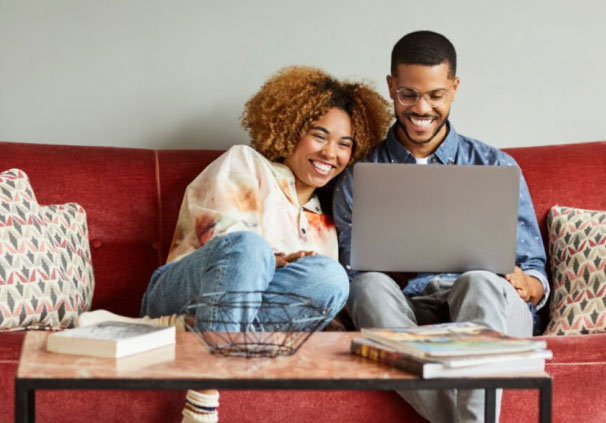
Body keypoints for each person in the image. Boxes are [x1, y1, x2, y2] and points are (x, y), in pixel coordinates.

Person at [78, 65, 392, 423]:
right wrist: (279, 259)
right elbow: (226, 241)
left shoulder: (328, 216)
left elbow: (309, 304)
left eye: (344, 144)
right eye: (319, 136)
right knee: (251, 249)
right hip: (183, 290)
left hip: (211, 317)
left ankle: (178, 329)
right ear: (291, 131)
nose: (330, 153)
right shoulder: (246, 162)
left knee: (333, 278)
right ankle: (203, 400)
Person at [332, 31, 550, 423]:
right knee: (365, 285)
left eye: (436, 95)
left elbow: (534, 267)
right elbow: (352, 268)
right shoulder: (359, 176)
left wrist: (528, 284)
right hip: (407, 319)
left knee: (480, 281)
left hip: (487, 313)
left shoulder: (495, 165)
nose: (422, 108)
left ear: (455, 88)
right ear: (391, 87)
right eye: (409, 94)